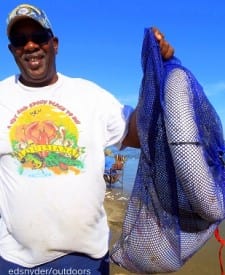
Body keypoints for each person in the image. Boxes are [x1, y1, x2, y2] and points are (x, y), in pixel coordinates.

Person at [0, 3, 174, 274]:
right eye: (20, 40)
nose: (30, 45)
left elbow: (135, 135)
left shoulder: (89, 95)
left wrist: (156, 76)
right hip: (16, 261)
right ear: (12, 50)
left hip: (86, 259)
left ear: (54, 44)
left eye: (39, 37)